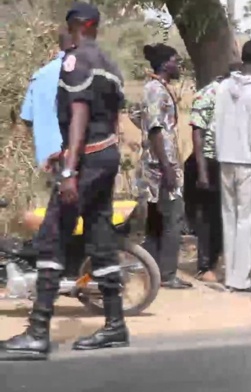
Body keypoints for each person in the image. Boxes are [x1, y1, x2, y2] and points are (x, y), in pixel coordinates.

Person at [1, 2, 129, 359]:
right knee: (101, 237)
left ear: (76, 26)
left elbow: (79, 115)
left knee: (53, 234)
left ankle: (38, 331)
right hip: (106, 157)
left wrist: (70, 169)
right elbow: (110, 122)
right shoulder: (111, 66)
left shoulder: (75, 62)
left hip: (86, 161)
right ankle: (115, 325)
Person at [214, 40, 251, 292]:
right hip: (249, 160)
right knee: (247, 219)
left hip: (225, 158)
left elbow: (216, 123)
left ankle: (229, 276)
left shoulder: (223, 86)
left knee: (229, 217)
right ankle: (241, 278)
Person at [139, 43, 192, 290]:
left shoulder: (157, 89)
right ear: (164, 64)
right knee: (173, 216)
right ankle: (167, 274)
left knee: (158, 218)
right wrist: (167, 167)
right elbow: (156, 129)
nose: (178, 64)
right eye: (175, 60)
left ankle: (153, 271)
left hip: (158, 163)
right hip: (161, 166)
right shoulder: (155, 90)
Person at [184, 72, 227, 283]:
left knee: (219, 216)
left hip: (222, 162)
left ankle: (214, 262)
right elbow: (197, 132)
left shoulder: (230, 92)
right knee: (207, 218)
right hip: (206, 162)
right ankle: (204, 266)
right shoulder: (208, 94)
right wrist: (201, 171)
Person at [20, 28, 72, 169]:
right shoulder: (85, 73)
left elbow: (27, 117)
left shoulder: (39, 75)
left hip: (47, 159)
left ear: (59, 46)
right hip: (76, 154)